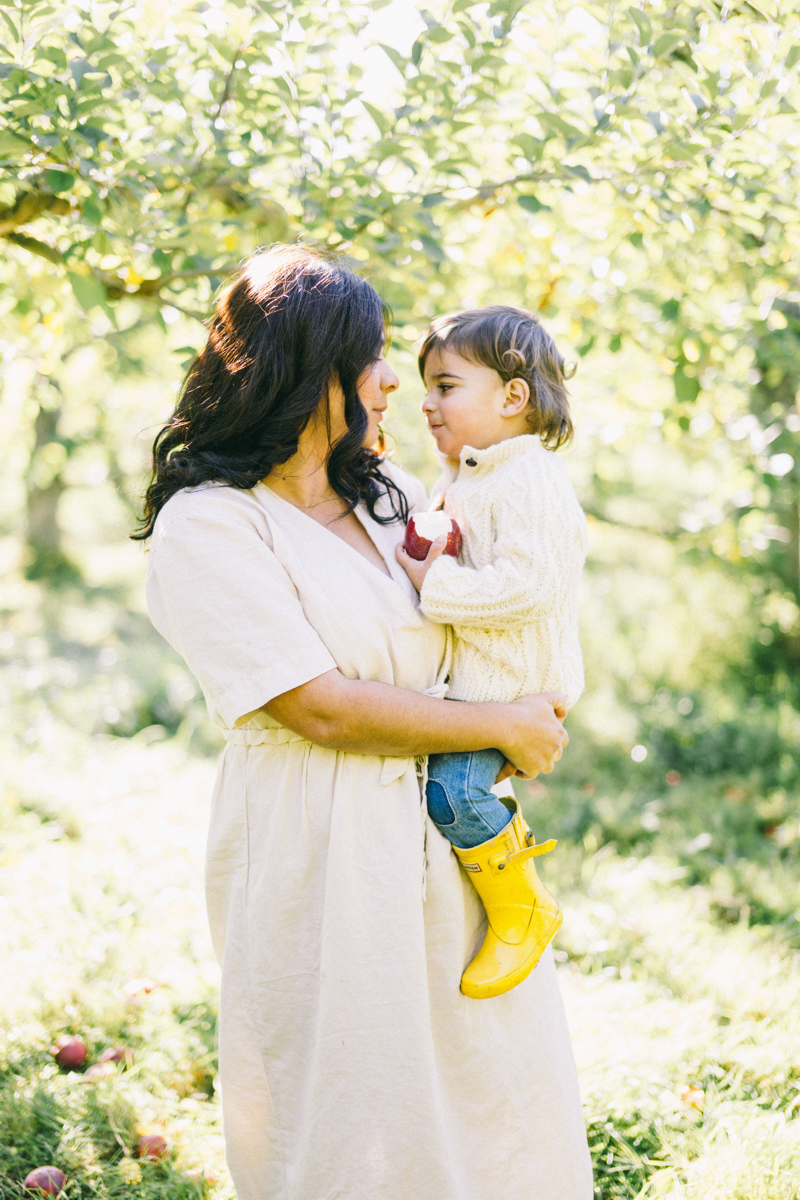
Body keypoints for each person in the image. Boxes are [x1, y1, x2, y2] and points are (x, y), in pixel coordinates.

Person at [137, 245, 593, 1200]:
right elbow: (317, 708)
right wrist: (502, 723)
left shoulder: (387, 499)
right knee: (349, 1102)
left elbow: (498, 584)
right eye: (373, 358)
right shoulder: (213, 524)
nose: (395, 383)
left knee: (488, 1087)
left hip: (444, 835)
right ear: (308, 372)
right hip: (319, 843)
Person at [395, 306, 588, 1001]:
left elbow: (528, 589)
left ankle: (523, 909)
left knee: (457, 792)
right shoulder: (476, 474)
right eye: (426, 387)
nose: (427, 402)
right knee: (454, 788)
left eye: (446, 386)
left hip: (514, 687)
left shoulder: (528, 478)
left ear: (513, 396)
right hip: (485, 683)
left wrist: (432, 583)